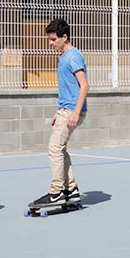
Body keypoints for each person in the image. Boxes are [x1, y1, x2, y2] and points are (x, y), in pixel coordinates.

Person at [34, 18, 88, 206]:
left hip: (73, 110)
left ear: (64, 37)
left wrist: (75, 112)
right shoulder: (63, 57)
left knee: (54, 148)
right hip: (65, 110)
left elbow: (84, 86)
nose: (51, 44)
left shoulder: (73, 56)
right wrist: (60, 111)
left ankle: (56, 191)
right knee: (60, 149)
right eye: (49, 40)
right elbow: (68, 88)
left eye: (53, 39)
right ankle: (71, 190)